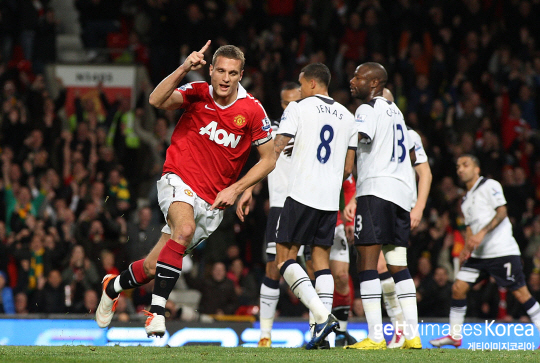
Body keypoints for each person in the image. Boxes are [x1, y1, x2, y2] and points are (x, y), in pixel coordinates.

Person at [96, 41, 276, 337]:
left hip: (213, 200)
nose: (225, 78)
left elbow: (269, 159)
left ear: (240, 75)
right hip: (178, 179)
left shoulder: (253, 111)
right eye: (220, 71)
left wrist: (240, 188)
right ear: (210, 70)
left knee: (155, 265)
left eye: (232, 72)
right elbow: (156, 100)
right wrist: (183, 69)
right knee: (184, 229)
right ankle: (157, 313)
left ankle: (112, 286)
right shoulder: (197, 92)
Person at [244, 62, 357, 349]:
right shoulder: (348, 116)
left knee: (284, 259)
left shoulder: (298, 109)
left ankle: (321, 316)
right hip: (329, 201)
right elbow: (348, 167)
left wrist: (244, 183)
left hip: (300, 197)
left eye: (301, 83)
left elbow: (276, 148)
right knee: (321, 263)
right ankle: (321, 338)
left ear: (310, 84)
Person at [343, 62, 421, 350]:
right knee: (398, 265)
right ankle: (412, 336)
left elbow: (361, 139)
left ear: (374, 83)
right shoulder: (397, 113)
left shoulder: (367, 109)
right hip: (401, 194)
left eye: (358, 77)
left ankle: (375, 336)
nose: (352, 81)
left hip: (375, 190)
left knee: (366, 263)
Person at [429, 155, 540, 348]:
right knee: (458, 288)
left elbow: (502, 212)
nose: (460, 169)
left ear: (477, 169)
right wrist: (466, 249)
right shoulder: (465, 199)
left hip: (501, 251)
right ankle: (455, 335)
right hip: (479, 256)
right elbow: (471, 226)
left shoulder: (490, 185)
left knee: (521, 294)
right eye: (458, 166)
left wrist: (480, 234)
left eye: (465, 165)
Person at [237, 82, 301, 348]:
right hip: (280, 206)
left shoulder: (315, 128)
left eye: (294, 101)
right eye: (285, 103)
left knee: (318, 266)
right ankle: (265, 334)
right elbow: (262, 164)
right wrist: (249, 189)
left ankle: (321, 328)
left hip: (312, 204)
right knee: (273, 268)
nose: (289, 107)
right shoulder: (274, 131)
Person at [375, 88, 432, 348]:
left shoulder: (409, 135)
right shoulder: (374, 130)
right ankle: (403, 329)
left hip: (400, 206)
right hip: (379, 202)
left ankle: (403, 328)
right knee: (383, 267)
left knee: (390, 266)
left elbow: (425, 173)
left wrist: (419, 207)